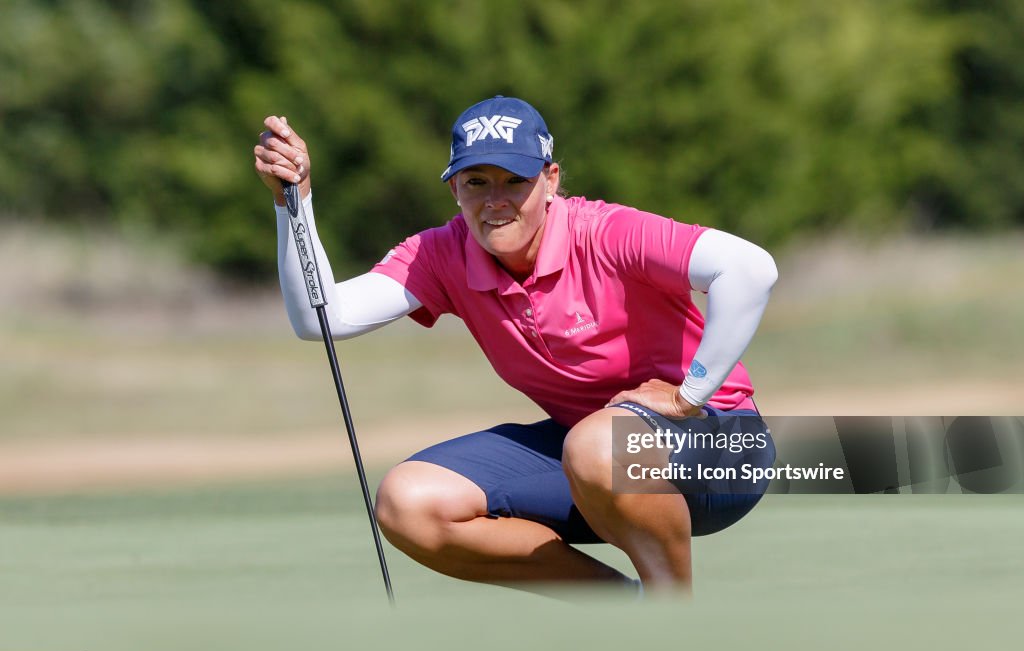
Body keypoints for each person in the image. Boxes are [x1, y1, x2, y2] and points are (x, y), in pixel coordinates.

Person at [254, 96, 778, 596]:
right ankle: (627, 610)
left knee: (599, 445)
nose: (495, 201)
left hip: (722, 448)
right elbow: (323, 318)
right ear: (454, 188)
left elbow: (750, 269)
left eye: (515, 180)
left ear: (550, 181)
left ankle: (674, 621)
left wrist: (690, 394)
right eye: (476, 182)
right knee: (408, 502)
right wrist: (293, 204)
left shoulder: (605, 232)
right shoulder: (442, 254)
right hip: (588, 454)